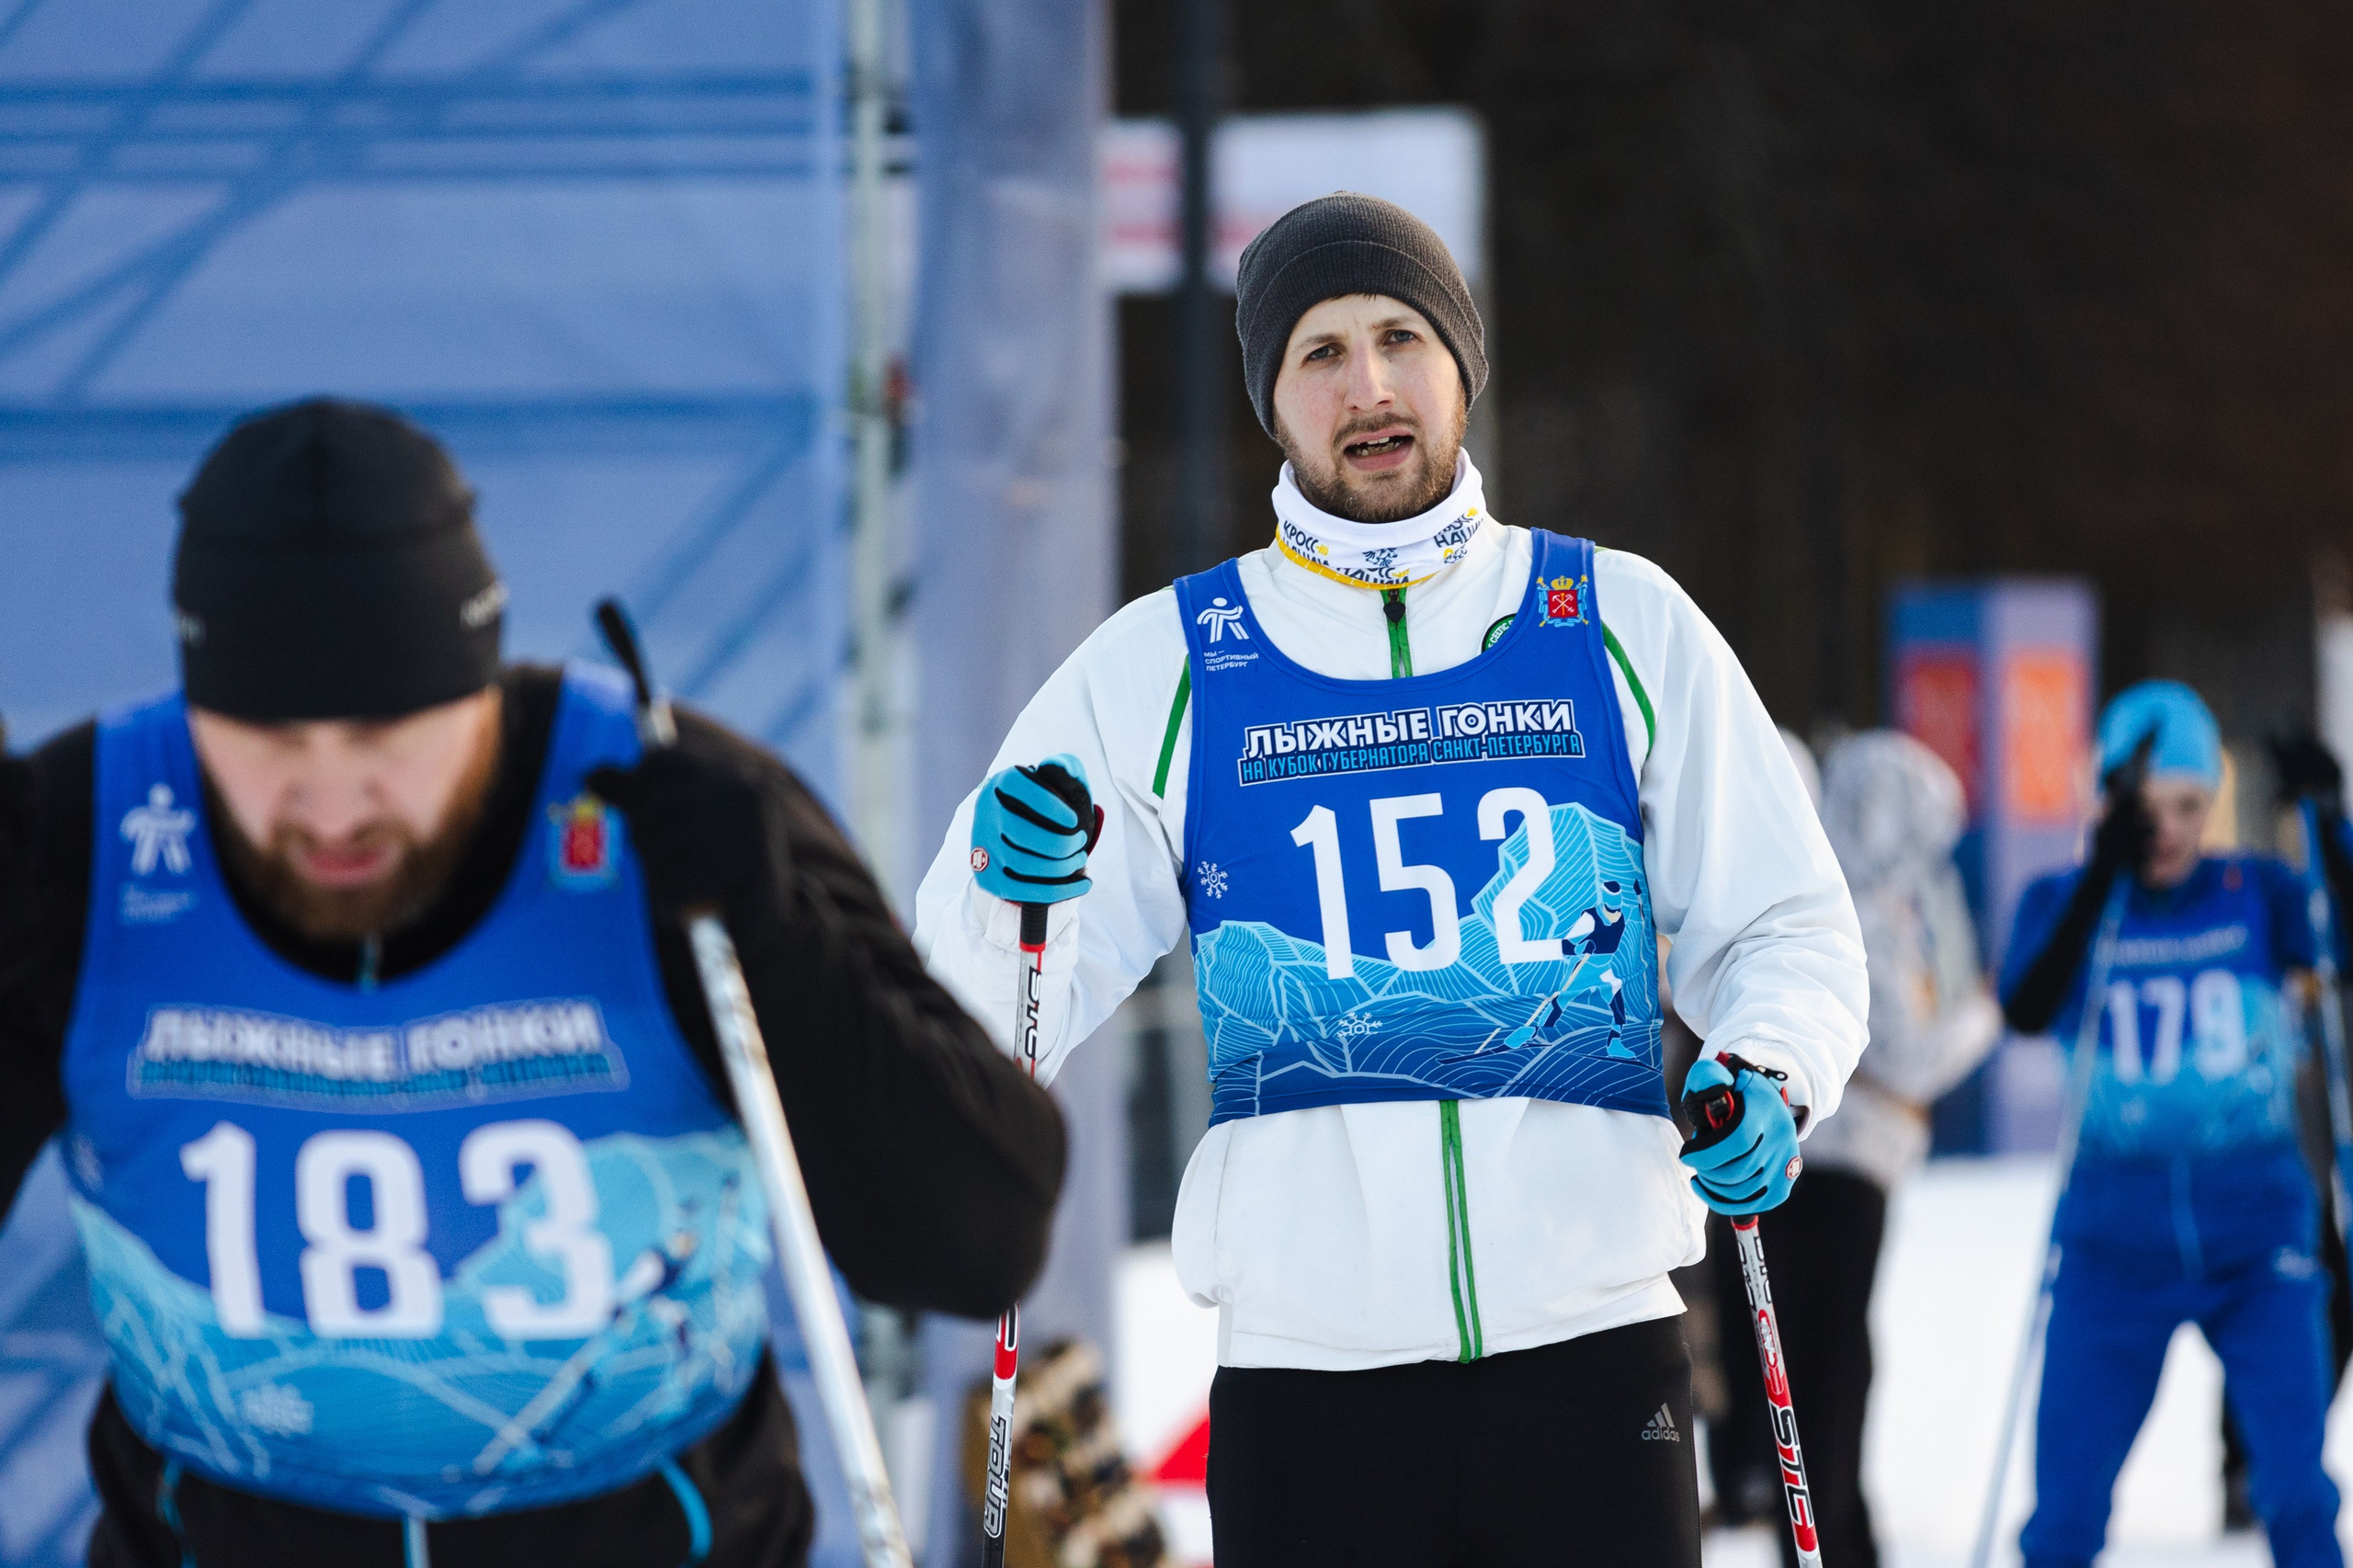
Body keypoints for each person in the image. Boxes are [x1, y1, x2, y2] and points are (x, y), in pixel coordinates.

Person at [911, 193, 1868, 1566]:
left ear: (1461, 364)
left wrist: (1767, 1071)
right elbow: (976, 1018)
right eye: (1319, 353)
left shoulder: (1616, 622)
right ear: (1272, 404)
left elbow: (1786, 924)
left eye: (1401, 337)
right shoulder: (1170, 666)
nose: (1367, 386)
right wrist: (1010, 890)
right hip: (1313, 1395)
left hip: (1594, 1355)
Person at [0, 399, 1066, 1568]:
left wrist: (781, 938)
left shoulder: (660, 805)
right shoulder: (81, 842)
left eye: (387, 737)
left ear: (485, 687)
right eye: (269, 743)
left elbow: (976, 1240)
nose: (333, 805)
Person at [2000, 681, 2340, 1568]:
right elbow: (2028, 1005)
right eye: (2146, 810)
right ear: (2108, 802)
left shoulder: (2253, 893)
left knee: (2300, 1495)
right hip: (2114, 1250)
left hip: (2256, 1240)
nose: (2171, 832)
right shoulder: (2070, 902)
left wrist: (2329, 820)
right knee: (2065, 1517)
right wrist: (2101, 872)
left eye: (2190, 807)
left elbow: (2343, 937)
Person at [1708, 730, 2001, 1565]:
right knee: (1828, 1364)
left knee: (1822, 1356)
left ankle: (1834, 1522)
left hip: (1825, 1162)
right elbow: (1906, 1050)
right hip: (1839, 1167)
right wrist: (1982, 1015)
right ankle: (1826, 1530)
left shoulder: (1837, 905)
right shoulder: (1861, 915)